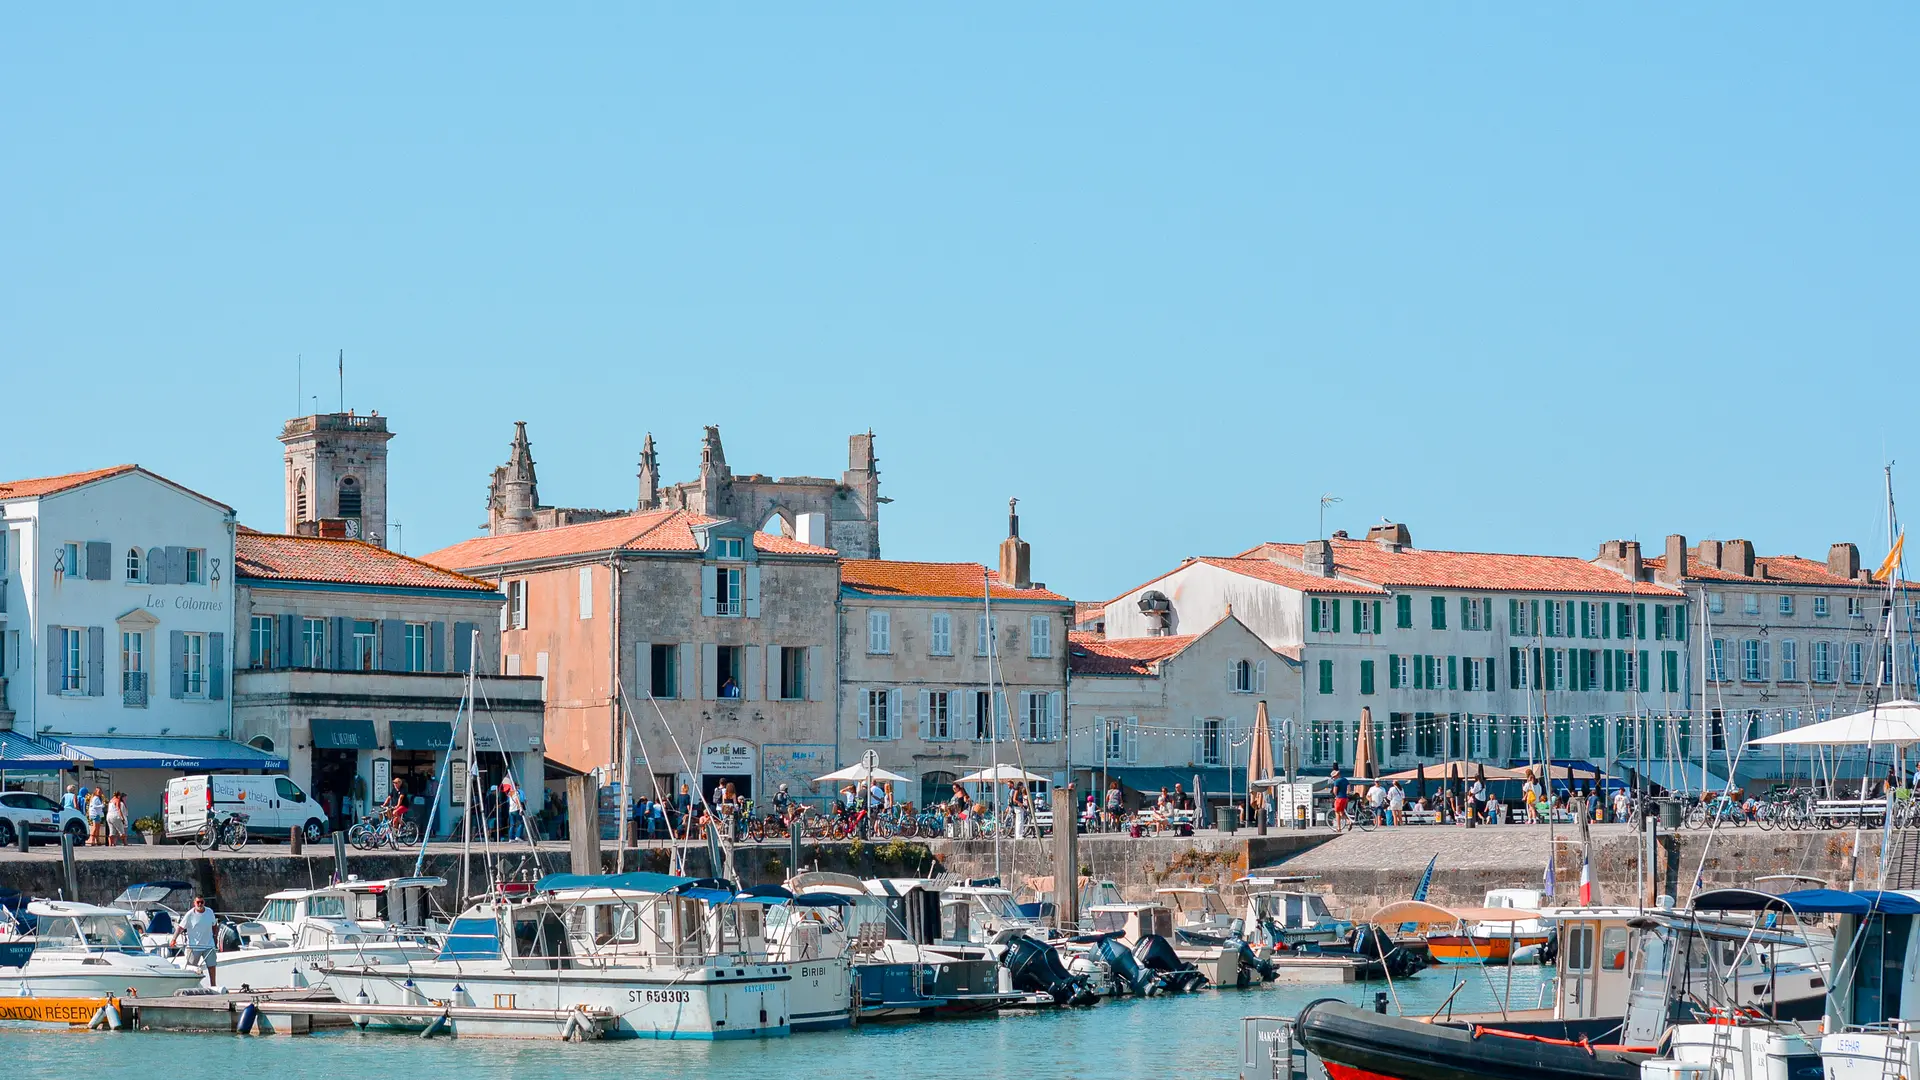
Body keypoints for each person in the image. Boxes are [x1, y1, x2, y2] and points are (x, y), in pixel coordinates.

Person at [174, 895, 220, 986]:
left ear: (204, 903)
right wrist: (173, 939)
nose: (200, 904)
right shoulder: (190, 914)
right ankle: (189, 986)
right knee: (191, 968)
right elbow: (180, 928)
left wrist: (215, 937)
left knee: (212, 966)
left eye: (201, 902)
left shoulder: (209, 912)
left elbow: (214, 925)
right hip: (194, 946)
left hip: (208, 945)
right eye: (198, 902)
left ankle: (213, 985)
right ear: (194, 903)